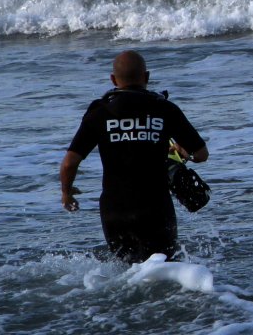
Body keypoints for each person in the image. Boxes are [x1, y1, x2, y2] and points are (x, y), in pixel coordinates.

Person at [59, 50, 209, 263]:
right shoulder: (164, 109)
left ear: (113, 79)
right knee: (163, 269)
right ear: (146, 77)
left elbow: (69, 163)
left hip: (114, 210)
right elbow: (201, 154)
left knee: (125, 272)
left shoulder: (99, 113)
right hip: (155, 208)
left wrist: (66, 193)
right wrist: (183, 152)